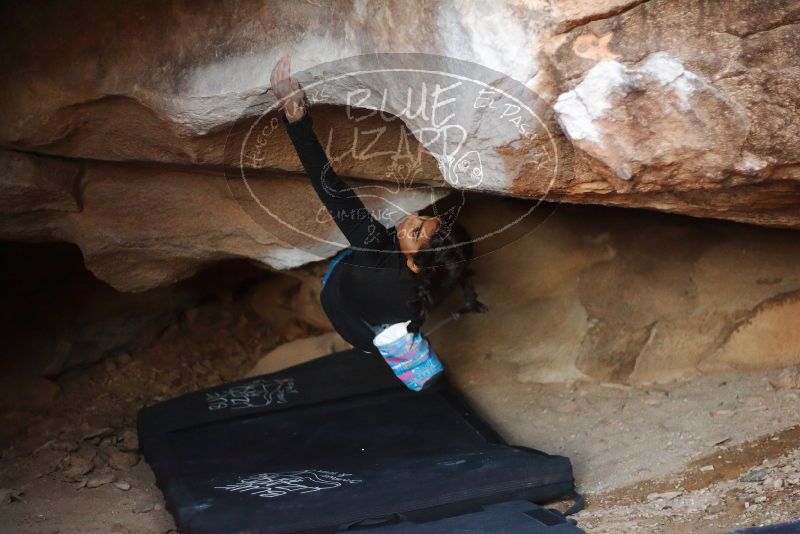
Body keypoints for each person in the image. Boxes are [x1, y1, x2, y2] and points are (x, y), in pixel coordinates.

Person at [269, 54, 487, 380]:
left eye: (415, 231)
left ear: (415, 263)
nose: (414, 216)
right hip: (366, 338)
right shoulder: (427, 284)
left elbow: (331, 189)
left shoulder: (372, 253)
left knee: (345, 263)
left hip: (336, 295)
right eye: (427, 220)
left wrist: (296, 118)